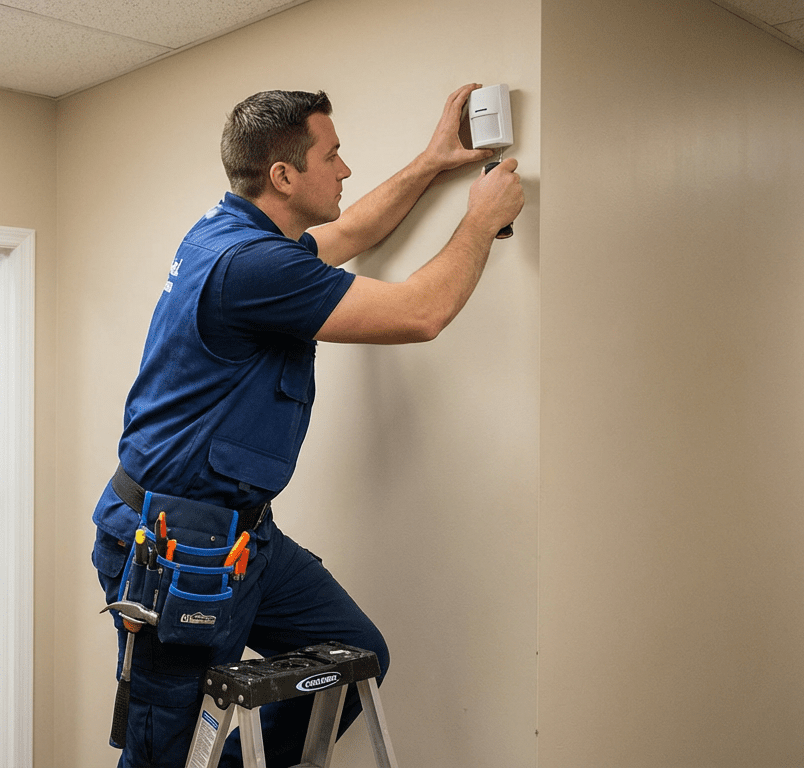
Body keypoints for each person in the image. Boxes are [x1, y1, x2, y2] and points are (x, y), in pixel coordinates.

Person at [91, 84, 524, 767]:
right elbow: (421, 313)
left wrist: (434, 162)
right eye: (334, 155)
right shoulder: (251, 265)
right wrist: (480, 220)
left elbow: (349, 235)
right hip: (176, 548)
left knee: (358, 655)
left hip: (241, 533)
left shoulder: (238, 232)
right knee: (163, 752)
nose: (346, 169)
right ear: (284, 176)